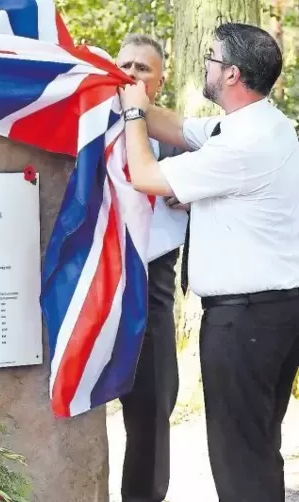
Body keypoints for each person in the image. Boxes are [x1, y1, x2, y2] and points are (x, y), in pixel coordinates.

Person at [119, 22, 299, 501]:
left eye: (212, 58)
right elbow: (176, 128)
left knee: (239, 460)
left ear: (233, 75)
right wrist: (125, 94)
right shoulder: (257, 124)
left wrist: (133, 112)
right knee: (257, 449)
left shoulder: (243, 144)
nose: (206, 64)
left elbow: (145, 174)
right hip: (270, 315)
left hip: (247, 322)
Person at [114, 33, 182, 502]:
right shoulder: (89, 130)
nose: (132, 75)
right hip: (99, 284)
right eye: (126, 66)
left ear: (160, 79)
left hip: (154, 289)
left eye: (143, 68)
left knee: (154, 412)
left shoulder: (183, 143)